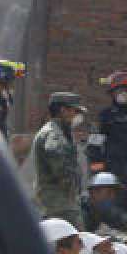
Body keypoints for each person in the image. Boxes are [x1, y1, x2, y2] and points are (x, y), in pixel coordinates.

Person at [34, 91, 87, 226]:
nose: (76, 116)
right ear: (63, 110)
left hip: (60, 204)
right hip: (59, 207)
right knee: (72, 244)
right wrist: (71, 185)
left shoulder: (60, 132)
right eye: (74, 111)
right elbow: (58, 159)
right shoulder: (54, 134)